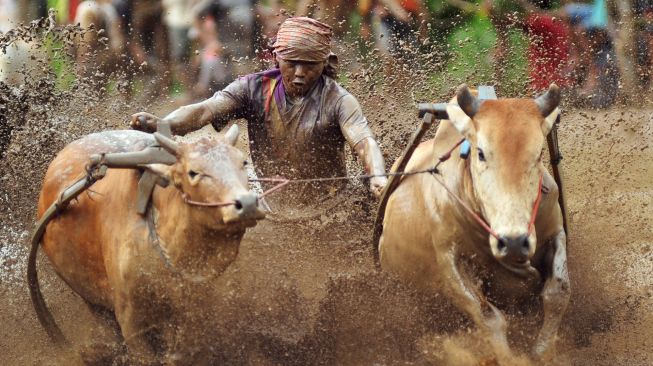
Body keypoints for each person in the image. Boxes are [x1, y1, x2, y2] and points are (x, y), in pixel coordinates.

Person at [131, 17, 388, 201]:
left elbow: (365, 143)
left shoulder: (339, 100)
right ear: (277, 58)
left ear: (324, 63)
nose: (299, 73)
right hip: (268, 201)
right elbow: (202, 112)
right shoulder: (252, 88)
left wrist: (377, 176)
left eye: (309, 65)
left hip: (331, 203)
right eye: (291, 63)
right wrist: (161, 124)